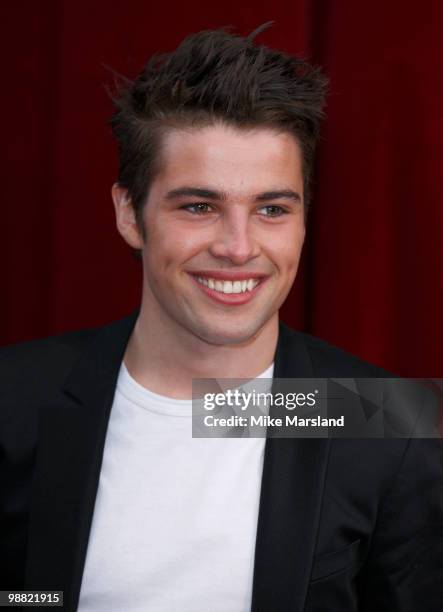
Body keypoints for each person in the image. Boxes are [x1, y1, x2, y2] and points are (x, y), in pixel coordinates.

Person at [1, 26, 442, 612]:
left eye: (271, 209)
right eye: (200, 206)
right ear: (130, 214)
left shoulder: (390, 421)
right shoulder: (12, 398)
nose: (239, 247)